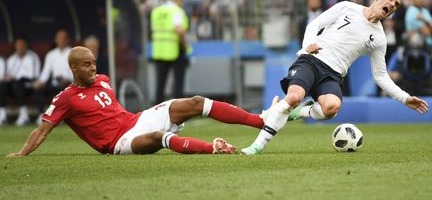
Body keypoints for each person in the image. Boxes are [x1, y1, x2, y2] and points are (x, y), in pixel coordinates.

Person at [241, 0, 430, 155]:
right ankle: (257, 146)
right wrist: (308, 44)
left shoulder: (380, 39)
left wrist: (405, 98)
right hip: (311, 60)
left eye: (396, 4)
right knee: (294, 97)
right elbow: (314, 25)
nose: (392, 4)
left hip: (333, 74)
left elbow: (380, 75)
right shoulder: (347, 7)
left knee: (331, 108)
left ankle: (298, 113)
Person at [6, 46, 270, 157]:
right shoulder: (65, 98)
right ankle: (214, 148)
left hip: (136, 119)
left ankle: (260, 121)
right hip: (118, 143)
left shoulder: (103, 80)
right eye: (86, 65)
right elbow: (43, 129)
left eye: (94, 63)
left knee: (196, 102)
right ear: (74, 68)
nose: (92, 68)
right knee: (157, 137)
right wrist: (22, 153)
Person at [151, 0, 191, 104]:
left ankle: (157, 111)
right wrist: (185, 44)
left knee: (160, 83)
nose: (182, 0)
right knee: (178, 82)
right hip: (175, 49)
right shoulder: (177, 11)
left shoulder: (156, 11)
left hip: (159, 50)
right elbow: (179, 29)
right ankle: (180, 110)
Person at [33, 29, 73, 120]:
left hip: (69, 84)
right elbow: (45, 72)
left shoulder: (72, 53)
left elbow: (75, 72)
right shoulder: (51, 54)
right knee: (39, 89)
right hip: (54, 83)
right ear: (56, 40)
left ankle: (60, 116)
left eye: (64, 38)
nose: (62, 40)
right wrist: (40, 82)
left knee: (63, 91)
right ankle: (41, 115)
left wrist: (67, 79)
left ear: (68, 39)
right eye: (59, 38)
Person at [2, 36, 41, 126]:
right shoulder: (12, 58)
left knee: (18, 84)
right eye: (18, 45)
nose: (20, 47)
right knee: (3, 84)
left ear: (27, 46)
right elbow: (8, 74)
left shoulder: (33, 57)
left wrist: (18, 79)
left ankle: (24, 114)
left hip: (29, 85)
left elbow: (34, 75)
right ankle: (2, 114)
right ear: (15, 46)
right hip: (15, 85)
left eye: (22, 45)